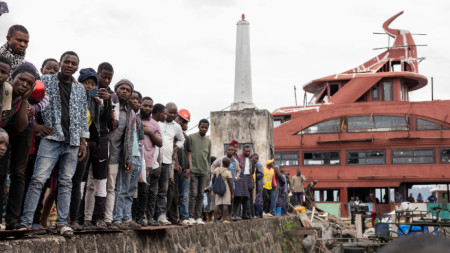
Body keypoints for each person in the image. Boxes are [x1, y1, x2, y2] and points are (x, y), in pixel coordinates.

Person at [20, 51, 89, 237]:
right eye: (66, 61)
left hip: (72, 142)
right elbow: (28, 102)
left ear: (77, 67)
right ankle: (26, 223)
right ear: (60, 63)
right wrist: (37, 126)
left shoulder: (79, 89)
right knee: (37, 180)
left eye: (74, 63)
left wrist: (83, 141)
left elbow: (83, 116)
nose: (70, 65)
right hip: (51, 139)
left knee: (66, 183)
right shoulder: (45, 81)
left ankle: (61, 224)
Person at [0, 63, 37, 230]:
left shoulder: (27, 105)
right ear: (12, 78)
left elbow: (21, 127)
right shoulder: (3, 91)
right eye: (22, 80)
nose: (24, 84)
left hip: (21, 126)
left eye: (29, 83)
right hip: (3, 128)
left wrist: (24, 99)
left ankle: (13, 220)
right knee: (1, 172)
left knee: (19, 172)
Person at [67, 68, 100, 230]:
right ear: (80, 83)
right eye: (86, 83)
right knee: (63, 181)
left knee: (77, 182)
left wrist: (102, 104)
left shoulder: (94, 103)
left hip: (83, 144)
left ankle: (73, 219)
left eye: (93, 84)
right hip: (67, 142)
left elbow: (98, 123)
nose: (89, 86)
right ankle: (56, 219)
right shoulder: (73, 96)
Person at [83, 62, 114, 230]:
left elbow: (109, 121)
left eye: (110, 78)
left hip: (102, 139)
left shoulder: (110, 95)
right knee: (81, 181)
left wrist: (108, 102)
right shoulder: (85, 90)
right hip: (86, 138)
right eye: (104, 76)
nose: (106, 80)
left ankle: (99, 218)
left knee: (100, 181)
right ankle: (81, 218)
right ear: (98, 74)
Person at [104, 79, 136, 229]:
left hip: (116, 156)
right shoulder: (108, 102)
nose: (124, 91)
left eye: (128, 90)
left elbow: (130, 137)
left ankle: (112, 219)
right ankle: (90, 219)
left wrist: (128, 158)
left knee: (113, 189)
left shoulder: (131, 114)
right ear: (116, 89)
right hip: (100, 152)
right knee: (93, 187)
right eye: (122, 88)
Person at [112, 90, 143, 229]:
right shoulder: (122, 114)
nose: (135, 101)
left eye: (137, 100)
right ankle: (117, 218)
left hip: (136, 157)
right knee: (121, 189)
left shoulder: (136, 118)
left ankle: (127, 218)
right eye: (133, 99)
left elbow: (140, 140)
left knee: (130, 190)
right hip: (126, 156)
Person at [152, 102, 184, 226]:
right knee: (152, 189)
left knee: (163, 190)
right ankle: (150, 215)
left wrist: (176, 147)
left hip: (166, 161)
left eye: (174, 113)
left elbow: (182, 139)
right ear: (165, 111)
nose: (171, 114)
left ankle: (161, 215)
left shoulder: (176, 126)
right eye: (170, 112)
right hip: (154, 160)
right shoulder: (157, 122)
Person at [136, 103, 165, 226]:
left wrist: (149, 132)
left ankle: (150, 218)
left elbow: (159, 142)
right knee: (142, 192)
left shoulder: (154, 123)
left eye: (150, 106)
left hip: (153, 163)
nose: (147, 108)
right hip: (139, 162)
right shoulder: (135, 118)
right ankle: (138, 218)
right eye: (145, 105)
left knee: (153, 192)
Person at [188, 119, 211, 225]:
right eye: (202, 127)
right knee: (193, 194)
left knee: (201, 195)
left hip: (204, 171)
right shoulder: (191, 137)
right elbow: (187, 153)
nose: (204, 129)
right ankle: (191, 216)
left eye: (206, 127)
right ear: (198, 126)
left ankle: (198, 217)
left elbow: (209, 157)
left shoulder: (208, 141)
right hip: (193, 170)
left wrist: (209, 173)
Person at [172, 110, 192, 226]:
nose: (183, 124)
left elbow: (189, 153)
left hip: (185, 169)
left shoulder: (186, 137)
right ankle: (174, 218)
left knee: (184, 195)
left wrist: (190, 167)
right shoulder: (173, 134)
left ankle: (185, 217)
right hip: (175, 169)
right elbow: (175, 151)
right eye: (182, 121)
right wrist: (177, 164)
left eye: (185, 122)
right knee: (174, 195)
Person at [212, 157, 233, 223]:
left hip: (218, 188)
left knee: (217, 204)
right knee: (225, 204)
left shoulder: (217, 169)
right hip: (225, 189)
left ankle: (214, 220)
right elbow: (230, 183)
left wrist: (214, 187)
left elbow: (213, 179)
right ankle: (223, 219)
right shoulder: (228, 172)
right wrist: (232, 193)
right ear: (228, 164)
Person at [232, 146, 251, 220]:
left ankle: (244, 214)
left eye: (236, 147)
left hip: (244, 178)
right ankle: (234, 214)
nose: (248, 153)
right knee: (237, 197)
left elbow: (250, 171)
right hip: (237, 178)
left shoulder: (246, 159)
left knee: (246, 197)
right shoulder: (237, 157)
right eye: (246, 151)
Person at [239, 146, 255, 218]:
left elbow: (252, 172)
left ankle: (250, 213)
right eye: (246, 151)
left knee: (249, 197)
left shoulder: (250, 160)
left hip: (249, 178)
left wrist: (252, 182)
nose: (248, 153)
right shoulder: (240, 158)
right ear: (243, 151)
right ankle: (245, 214)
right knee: (245, 197)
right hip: (243, 177)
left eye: (249, 151)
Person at [252, 154, 264, 218]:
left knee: (258, 199)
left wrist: (254, 177)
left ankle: (258, 214)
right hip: (258, 183)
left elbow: (261, 173)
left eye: (252, 158)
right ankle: (259, 214)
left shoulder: (258, 164)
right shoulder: (255, 164)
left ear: (256, 158)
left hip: (259, 184)